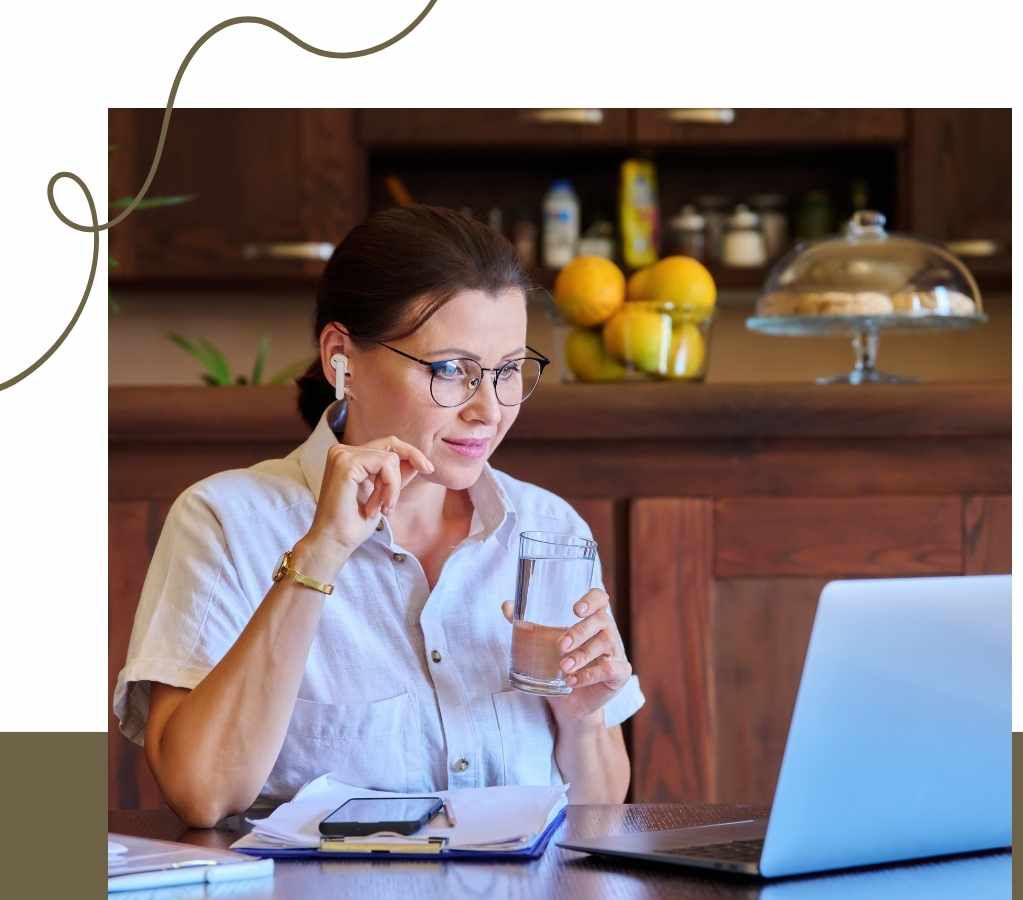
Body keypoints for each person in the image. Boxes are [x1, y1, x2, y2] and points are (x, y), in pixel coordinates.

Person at [111, 205, 643, 827]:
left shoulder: (549, 531)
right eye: (451, 370)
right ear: (342, 358)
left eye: (507, 372)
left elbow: (601, 809)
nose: (489, 410)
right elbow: (199, 794)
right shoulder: (225, 522)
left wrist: (582, 717)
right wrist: (319, 555)